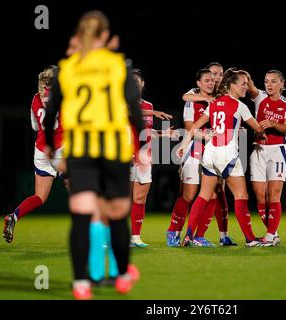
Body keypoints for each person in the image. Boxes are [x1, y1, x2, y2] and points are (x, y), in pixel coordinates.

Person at [43, 10, 145, 299]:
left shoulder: (67, 67)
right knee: (117, 216)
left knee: (81, 216)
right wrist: (143, 140)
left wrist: (50, 143)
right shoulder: (118, 64)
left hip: (80, 149)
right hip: (112, 147)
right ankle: (123, 275)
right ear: (104, 36)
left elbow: (51, 113)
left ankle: (81, 284)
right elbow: (134, 108)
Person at [177, 69, 270, 247]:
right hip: (227, 154)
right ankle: (250, 239)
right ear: (232, 86)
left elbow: (195, 127)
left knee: (203, 196)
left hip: (210, 153)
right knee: (241, 195)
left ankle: (188, 235)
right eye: (242, 84)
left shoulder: (214, 104)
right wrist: (261, 135)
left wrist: (183, 146)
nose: (245, 87)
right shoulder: (240, 106)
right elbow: (258, 128)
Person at [170, 63, 237, 247]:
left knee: (215, 193)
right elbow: (189, 126)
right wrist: (205, 136)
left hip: (215, 149)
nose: (216, 78)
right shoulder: (194, 96)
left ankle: (200, 236)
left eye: (220, 74)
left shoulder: (220, 96)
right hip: (194, 147)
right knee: (189, 194)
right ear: (201, 81)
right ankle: (173, 230)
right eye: (212, 75)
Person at [3, 65, 65, 243]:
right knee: (81, 192)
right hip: (58, 149)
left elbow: (35, 127)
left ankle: (13, 216)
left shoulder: (35, 99)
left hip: (41, 151)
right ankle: (92, 235)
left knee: (39, 197)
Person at [246, 70, 286, 246]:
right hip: (258, 149)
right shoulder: (260, 98)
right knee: (260, 196)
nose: (269, 84)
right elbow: (251, 87)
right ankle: (272, 234)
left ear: (282, 84)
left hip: (277, 150)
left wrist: (273, 123)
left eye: (274, 81)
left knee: (274, 195)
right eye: (267, 81)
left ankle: (270, 234)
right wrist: (247, 76)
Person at [129, 68, 175, 247]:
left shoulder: (148, 105)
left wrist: (164, 133)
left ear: (142, 85)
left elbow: (145, 131)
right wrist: (154, 114)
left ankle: (135, 238)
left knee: (140, 199)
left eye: (137, 82)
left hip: (144, 157)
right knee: (118, 199)